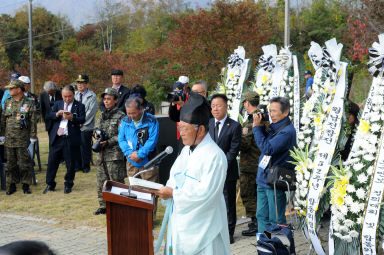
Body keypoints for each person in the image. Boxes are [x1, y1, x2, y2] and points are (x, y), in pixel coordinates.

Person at [156, 92, 230, 254]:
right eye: (179, 127)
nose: (181, 132)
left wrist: (174, 194)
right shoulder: (186, 152)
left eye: (184, 128)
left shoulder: (215, 156)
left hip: (205, 227)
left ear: (201, 129)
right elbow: (173, 178)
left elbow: (206, 195)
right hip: (181, 222)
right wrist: (168, 191)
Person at [252, 96, 297, 232]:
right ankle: (265, 248)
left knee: (276, 220)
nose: (271, 115)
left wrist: (256, 128)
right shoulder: (273, 127)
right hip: (263, 179)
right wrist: (261, 126)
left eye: (274, 111)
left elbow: (268, 149)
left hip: (275, 182)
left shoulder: (287, 131)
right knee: (261, 216)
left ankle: (279, 248)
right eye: (270, 111)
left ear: (285, 112)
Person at [209, 93, 242, 244]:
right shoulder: (208, 123)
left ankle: (229, 233)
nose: (215, 109)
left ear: (226, 107)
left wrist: (220, 165)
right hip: (209, 172)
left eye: (219, 106)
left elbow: (233, 151)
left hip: (227, 171)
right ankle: (214, 231)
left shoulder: (234, 126)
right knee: (212, 202)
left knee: (228, 203)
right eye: (213, 106)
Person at [43, 85, 85, 194]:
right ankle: (50, 184)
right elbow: (48, 115)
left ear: (73, 94)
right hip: (57, 138)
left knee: (70, 163)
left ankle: (68, 184)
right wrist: (57, 114)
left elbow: (82, 119)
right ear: (61, 95)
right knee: (52, 162)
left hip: (70, 138)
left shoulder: (79, 106)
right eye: (65, 96)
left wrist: (72, 118)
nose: (67, 99)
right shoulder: (57, 104)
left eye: (69, 96)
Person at [0, 80, 37, 195]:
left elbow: (32, 121)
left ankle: (26, 184)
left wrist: (33, 137)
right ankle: (12, 185)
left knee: (24, 163)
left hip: (23, 139)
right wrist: (1, 135)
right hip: (9, 139)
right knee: (10, 164)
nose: (9, 90)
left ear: (19, 89)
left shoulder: (29, 103)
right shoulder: (7, 102)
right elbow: (3, 120)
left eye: (12, 88)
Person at [93, 88, 126, 215]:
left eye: (109, 99)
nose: (106, 102)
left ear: (116, 100)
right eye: (104, 99)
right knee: (101, 181)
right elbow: (96, 128)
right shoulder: (102, 115)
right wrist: (96, 134)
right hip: (101, 155)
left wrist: (108, 141)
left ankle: (120, 206)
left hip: (114, 155)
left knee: (116, 181)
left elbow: (122, 135)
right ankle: (103, 205)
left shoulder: (121, 116)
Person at [118, 97, 159, 183]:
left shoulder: (151, 120)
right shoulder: (125, 121)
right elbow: (121, 139)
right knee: (134, 191)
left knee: (150, 190)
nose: (131, 116)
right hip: (131, 160)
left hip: (148, 161)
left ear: (141, 109)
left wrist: (140, 155)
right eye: (128, 113)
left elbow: (152, 140)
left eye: (134, 113)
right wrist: (130, 153)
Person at [239, 91, 261, 236]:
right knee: (256, 195)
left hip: (250, 165)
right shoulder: (262, 117)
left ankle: (256, 223)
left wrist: (234, 137)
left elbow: (245, 144)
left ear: (247, 102)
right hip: (256, 164)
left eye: (244, 103)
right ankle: (257, 222)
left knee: (250, 195)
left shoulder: (253, 119)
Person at [74, 74, 97, 173]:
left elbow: (91, 111)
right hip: (75, 125)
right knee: (76, 146)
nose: (79, 85)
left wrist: (82, 121)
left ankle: (86, 167)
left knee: (85, 147)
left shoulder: (92, 95)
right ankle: (77, 166)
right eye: (78, 82)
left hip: (86, 126)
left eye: (82, 83)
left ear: (87, 84)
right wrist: (75, 121)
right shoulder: (74, 94)